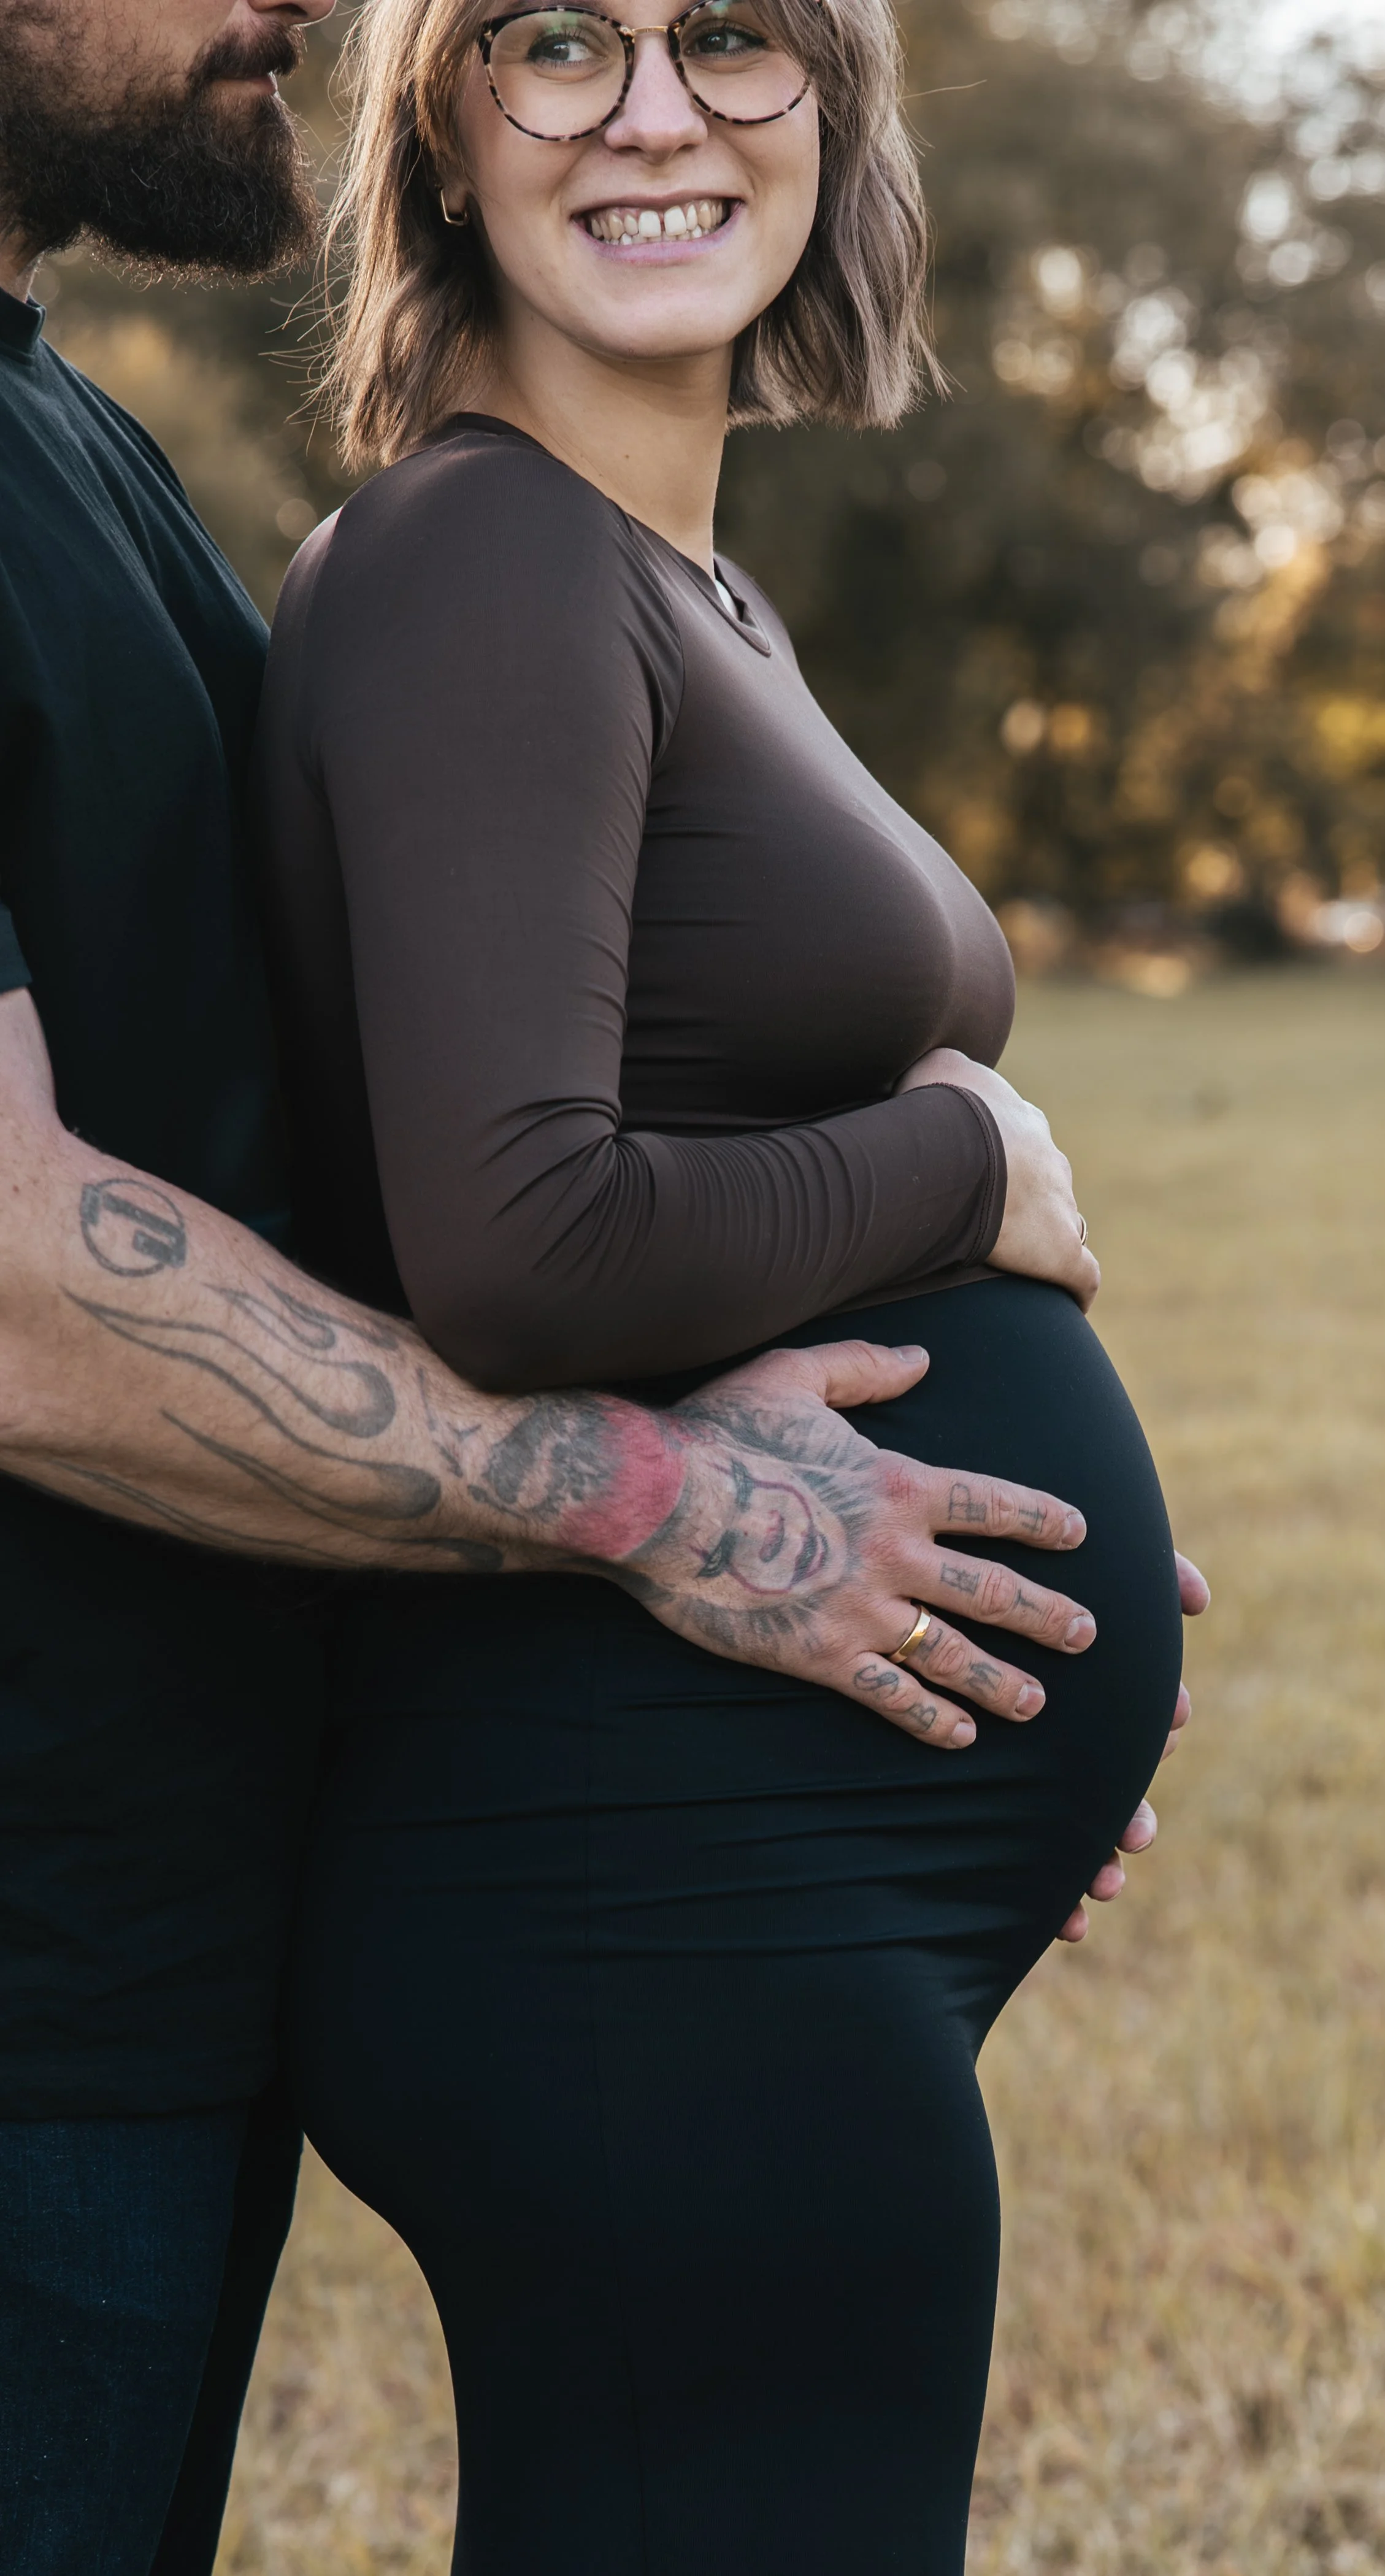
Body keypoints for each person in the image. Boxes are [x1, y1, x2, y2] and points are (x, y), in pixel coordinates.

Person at [0, 1, 1203, 2569]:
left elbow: (317, 1162)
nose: (658, 107)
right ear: (444, 126)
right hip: (574, 1916)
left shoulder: (162, 474)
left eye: (738, 36)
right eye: (558, 39)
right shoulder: (485, 547)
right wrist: (948, 1163)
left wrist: (967, 1552)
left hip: (523, 1878)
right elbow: (493, 1234)